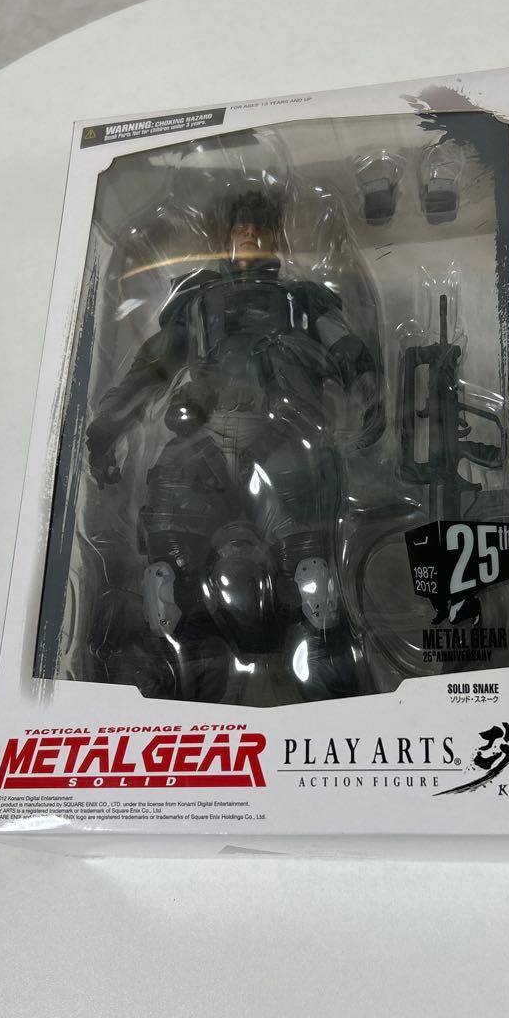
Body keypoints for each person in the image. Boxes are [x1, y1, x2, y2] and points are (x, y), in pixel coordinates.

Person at [85, 189, 379, 703]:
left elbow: (346, 347)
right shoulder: (199, 300)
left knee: (313, 580)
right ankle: (182, 702)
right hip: (204, 438)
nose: (251, 235)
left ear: (275, 238)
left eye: (260, 228)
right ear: (225, 238)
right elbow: (153, 366)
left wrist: (368, 391)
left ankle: (334, 697)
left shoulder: (301, 299)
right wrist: (108, 425)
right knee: (169, 579)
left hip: (284, 437)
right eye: (241, 228)